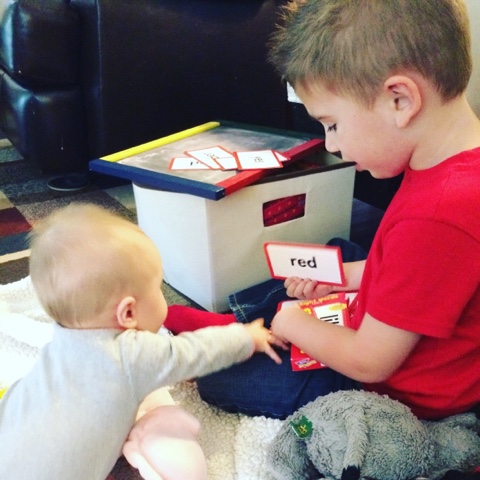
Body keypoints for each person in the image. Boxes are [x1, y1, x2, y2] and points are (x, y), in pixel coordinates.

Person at [166, 0, 480, 422]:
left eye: (332, 124)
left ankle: (242, 328)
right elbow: (414, 271)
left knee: (223, 377)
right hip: (397, 330)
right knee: (332, 257)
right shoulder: (452, 166)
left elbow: (370, 362)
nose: (331, 144)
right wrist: (343, 279)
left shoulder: (437, 215)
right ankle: (238, 322)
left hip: (392, 389)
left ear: (400, 100)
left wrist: (293, 323)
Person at [0, 203, 285, 480]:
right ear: (128, 313)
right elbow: (196, 352)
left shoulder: (62, 339)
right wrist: (247, 337)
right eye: (158, 287)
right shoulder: (130, 355)